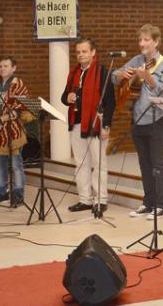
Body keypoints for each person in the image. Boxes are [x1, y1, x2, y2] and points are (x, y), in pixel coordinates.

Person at [112, 24, 163, 220]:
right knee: (144, 163)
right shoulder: (137, 60)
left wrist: (148, 78)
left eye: (146, 40)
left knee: (157, 163)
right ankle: (148, 203)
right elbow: (114, 77)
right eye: (140, 40)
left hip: (157, 119)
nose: (142, 43)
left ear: (156, 42)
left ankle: (161, 205)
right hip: (138, 118)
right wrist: (121, 75)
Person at [61, 38, 115, 213]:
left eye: (84, 51)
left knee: (99, 163)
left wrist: (106, 125)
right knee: (80, 163)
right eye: (78, 52)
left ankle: (101, 199)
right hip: (76, 123)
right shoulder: (74, 72)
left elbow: (110, 102)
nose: (80, 55)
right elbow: (64, 97)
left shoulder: (102, 72)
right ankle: (85, 199)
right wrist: (67, 97)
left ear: (93, 53)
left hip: (95, 124)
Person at [0, 56, 29, 208]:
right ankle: (3, 192)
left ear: (14, 68)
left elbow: (19, 109)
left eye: (6, 66)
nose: (2, 68)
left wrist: (1, 120)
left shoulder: (18, 84)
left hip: (12, 131)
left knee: (16, 165)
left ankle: (18, 195)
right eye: (1, 66)